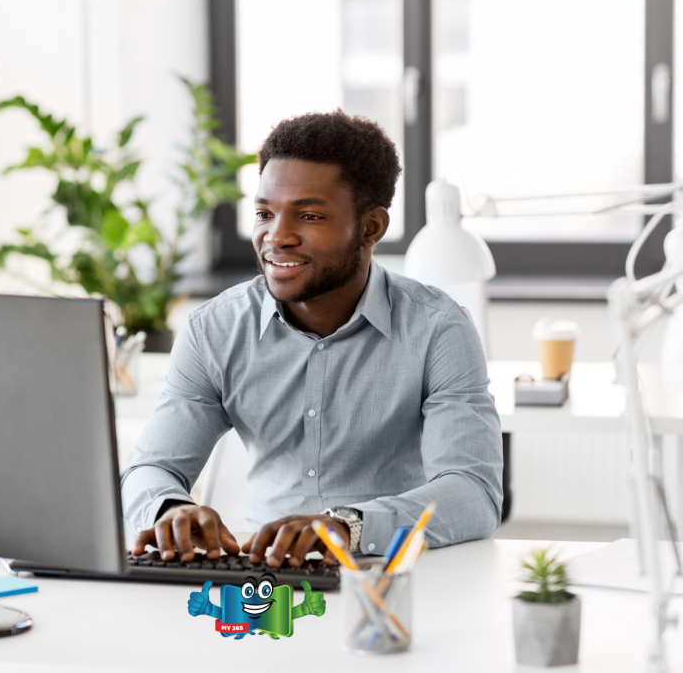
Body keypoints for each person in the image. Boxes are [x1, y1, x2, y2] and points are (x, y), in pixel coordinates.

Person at [121, 110, 502, 568]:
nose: (276, 237)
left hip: (390, 575)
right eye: (264, 213)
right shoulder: (215, 330)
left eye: (309, 215)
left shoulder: (438, 329)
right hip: (257, 578)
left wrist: (347, 526)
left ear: (370, 228)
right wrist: (169, 509)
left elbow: (473, 492)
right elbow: (150, 468)